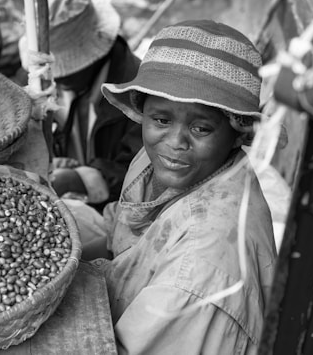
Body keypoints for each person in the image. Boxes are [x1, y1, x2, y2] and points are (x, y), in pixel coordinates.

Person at [80, 20, 278, 354]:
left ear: (237, 136)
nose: (175, 143)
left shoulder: (202, 268)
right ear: (143, 113)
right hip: (126, 292)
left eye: (201, 129)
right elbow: (122, 232)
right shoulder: (157, 161)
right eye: (161, 120)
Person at [20, 0, 143, 211]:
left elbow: (142, 174)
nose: (56, 79)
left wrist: (79, 179)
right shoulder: (60, 86)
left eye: (65, 72)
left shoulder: (139, 97)